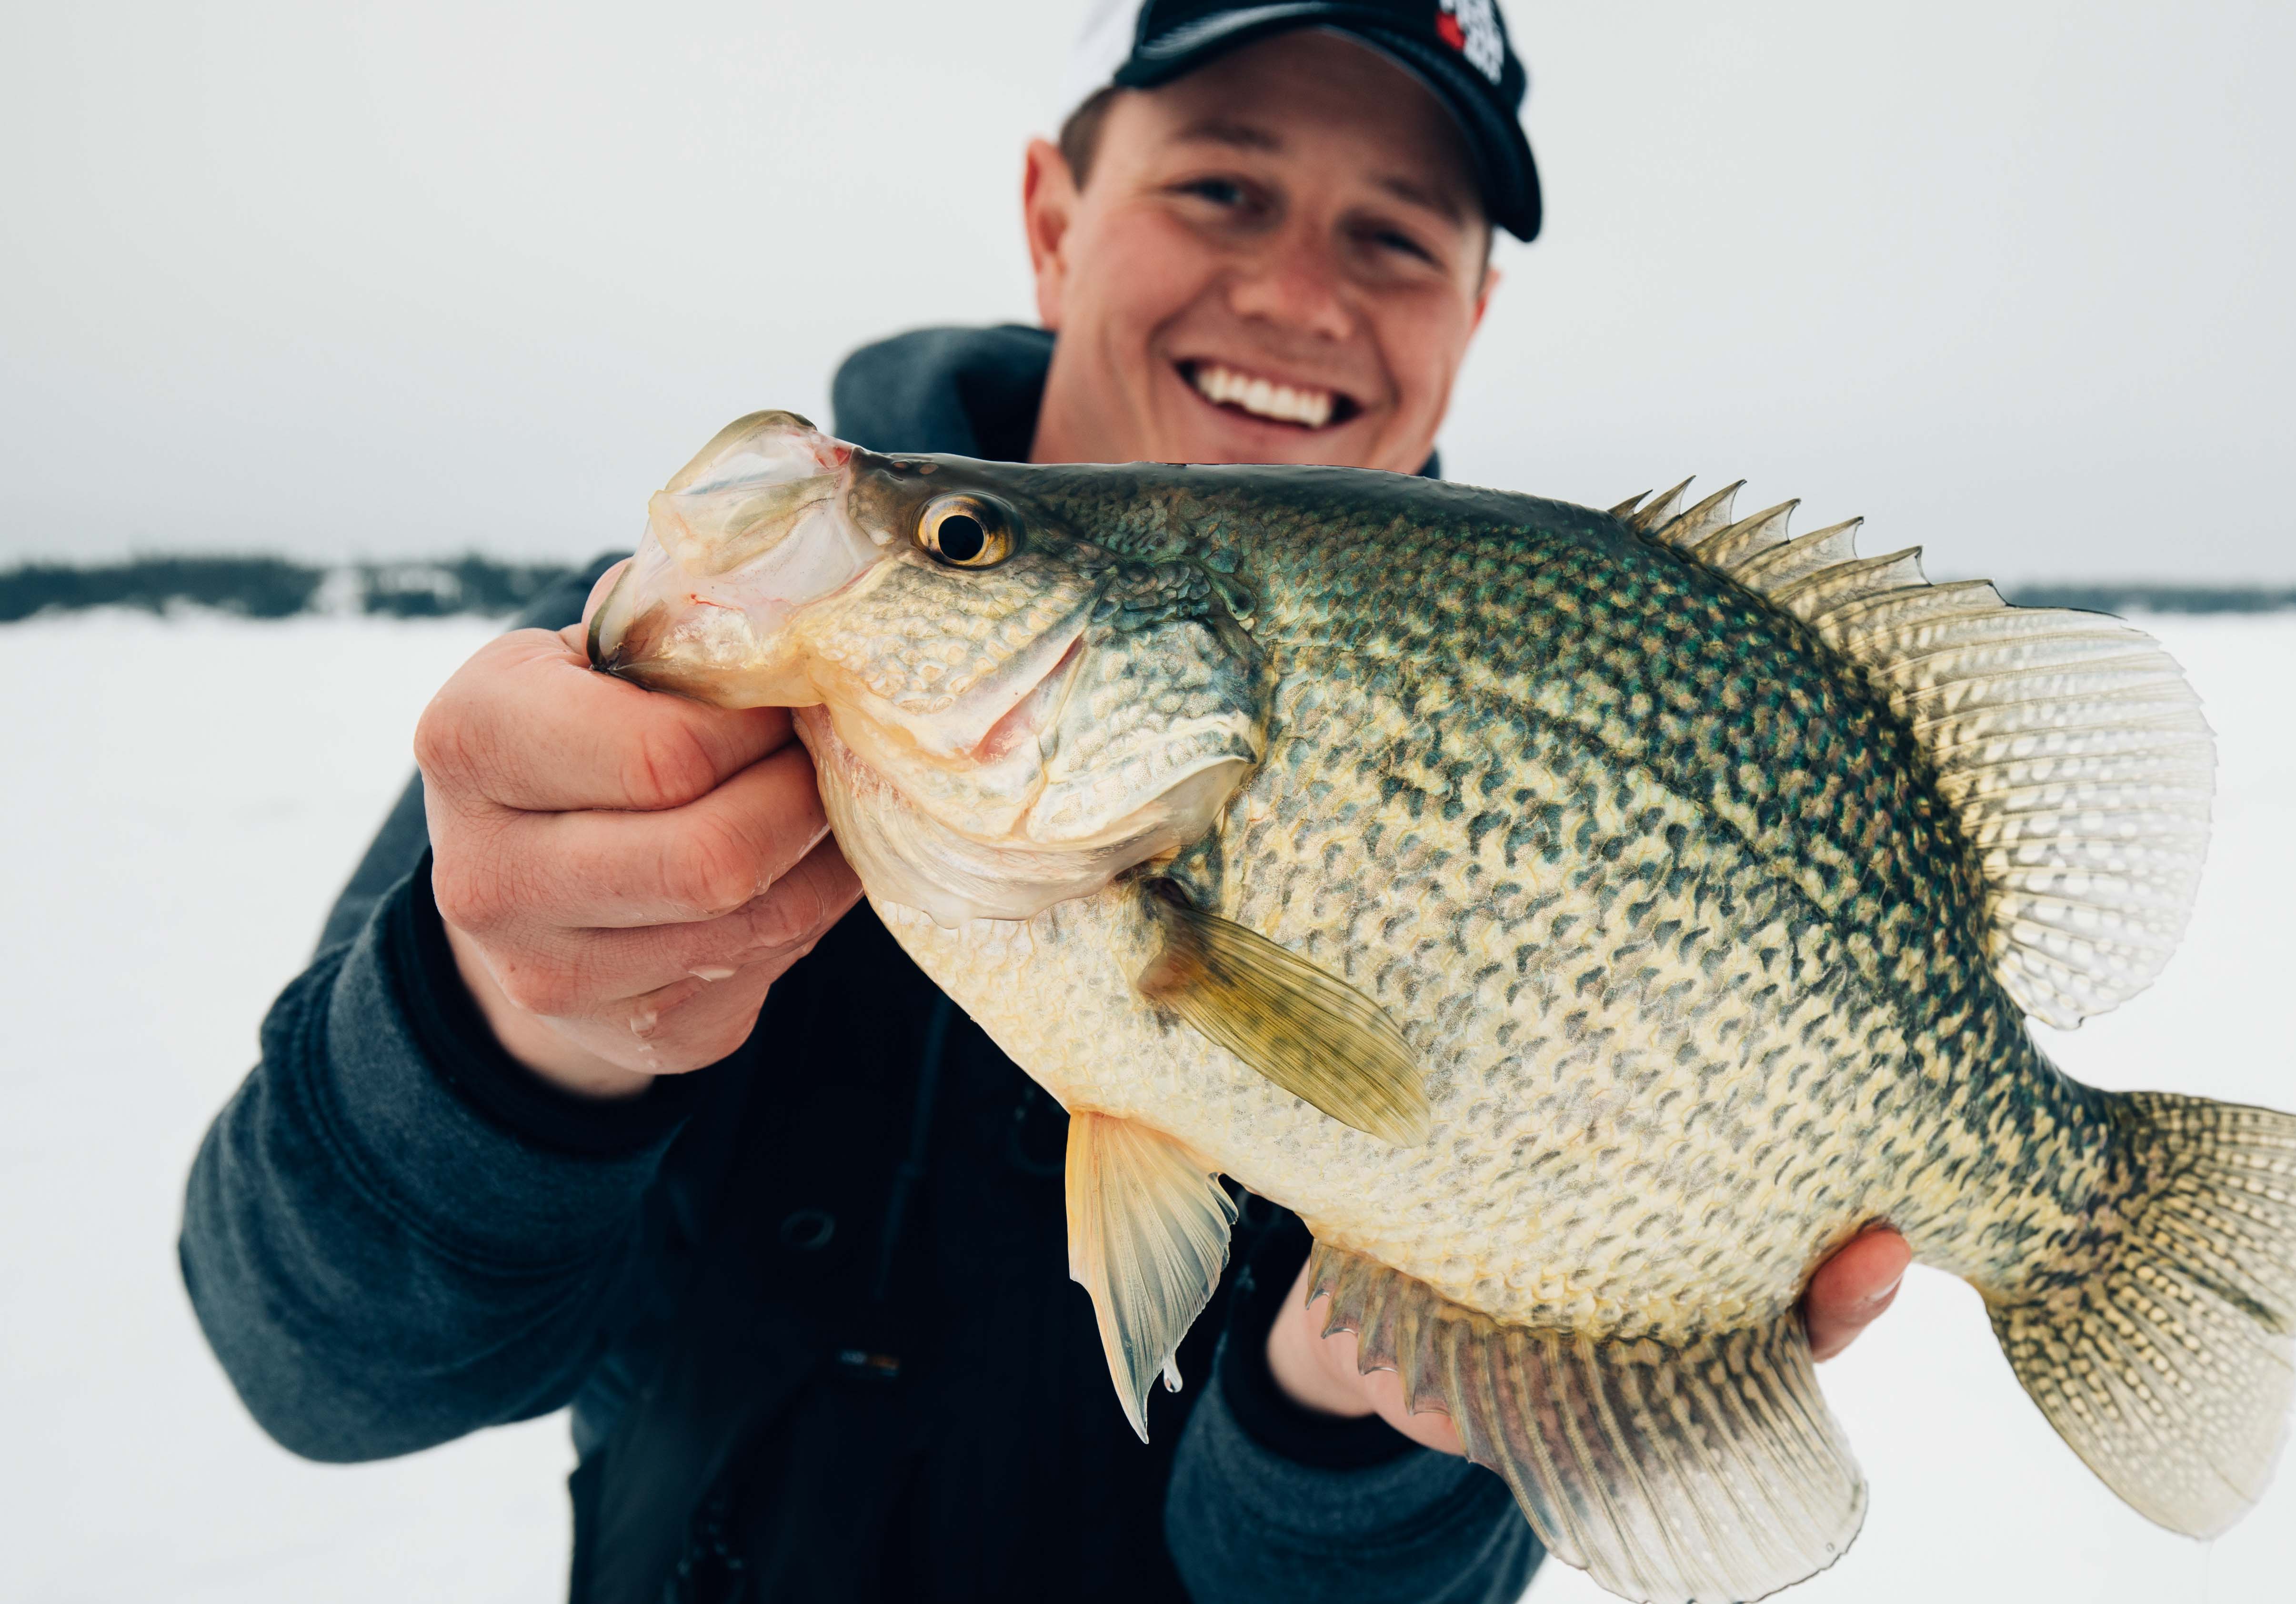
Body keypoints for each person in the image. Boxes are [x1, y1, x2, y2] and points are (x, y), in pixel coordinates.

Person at [180, 3, 1914, 1599]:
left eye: (1393, 235)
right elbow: (321, 1377)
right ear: (1053, 215)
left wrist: (1366, 1396)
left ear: (1471, 317)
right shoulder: (662, 704)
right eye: (1224, 186)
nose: (1301, 296)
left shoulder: (1585, 711)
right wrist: (501, 1022)